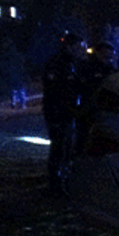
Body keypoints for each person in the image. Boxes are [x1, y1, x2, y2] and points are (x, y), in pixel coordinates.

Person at [41, 32, 86, 197]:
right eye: (78, 47)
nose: (81, 50)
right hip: (57, 111)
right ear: (69, 46)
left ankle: (63, 178)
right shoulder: (57, 63)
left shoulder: (73, 63)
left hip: (68, 111)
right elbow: (55, 89)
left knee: (66, 146)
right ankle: (55, 183)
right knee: (59, 147)